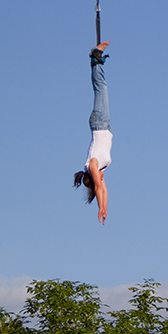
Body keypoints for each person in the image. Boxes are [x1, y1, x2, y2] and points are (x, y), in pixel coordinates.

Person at [74, 41, 112, 224]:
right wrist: (103, 208)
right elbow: (103, 190)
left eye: (98, 178)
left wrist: (99, 207)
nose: (102, 178)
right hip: (104, 125)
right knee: (102, 89)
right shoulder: (99, 168)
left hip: (99, 123)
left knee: (101, 88)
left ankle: (96, 57)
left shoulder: (93, 164)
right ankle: (96, 61)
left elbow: (98, 186)